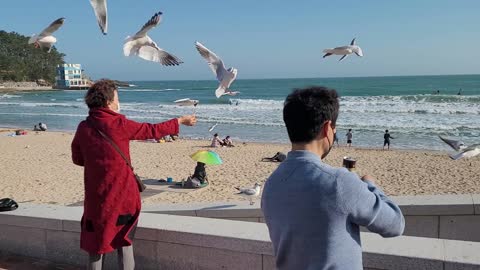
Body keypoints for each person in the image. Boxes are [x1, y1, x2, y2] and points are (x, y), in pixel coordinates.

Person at [261, 86, 404, 270]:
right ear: (328, 128)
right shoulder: (339, 182)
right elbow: (395, 224)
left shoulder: (272, 183)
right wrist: (370, 185)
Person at [71, 79, 196, 270]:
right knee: (125, 240)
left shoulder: (84, 127)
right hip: (123, 196)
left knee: (95, 244)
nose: (118, 103)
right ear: (108, 102)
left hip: (96, 198)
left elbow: (78, 159)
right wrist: (179, 121)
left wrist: (99, 164)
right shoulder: (118, 123)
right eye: (117, 98)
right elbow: (152, 131)